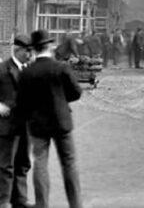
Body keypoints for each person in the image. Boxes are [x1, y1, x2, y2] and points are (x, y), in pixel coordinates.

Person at [19, 29, 82, 208]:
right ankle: (76, 205)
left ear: (34, 49)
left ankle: (42, 205)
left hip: (37, 125)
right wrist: (61, 99)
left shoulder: (27, 72)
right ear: (49, 46)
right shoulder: (61, 67)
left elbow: (22, 101)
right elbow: (77, 92)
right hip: (61, 121)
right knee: (69, 163)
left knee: (40, 163)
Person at [0, 34, 33, 208]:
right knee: (6, 166)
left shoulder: (30, 70)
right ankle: (3, 201)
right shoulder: (2, 69)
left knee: (23, 163)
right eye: (27, 51)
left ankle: (20, 199)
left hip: (25, 126)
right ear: (17, 50)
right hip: (6, 126)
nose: (30, 55)